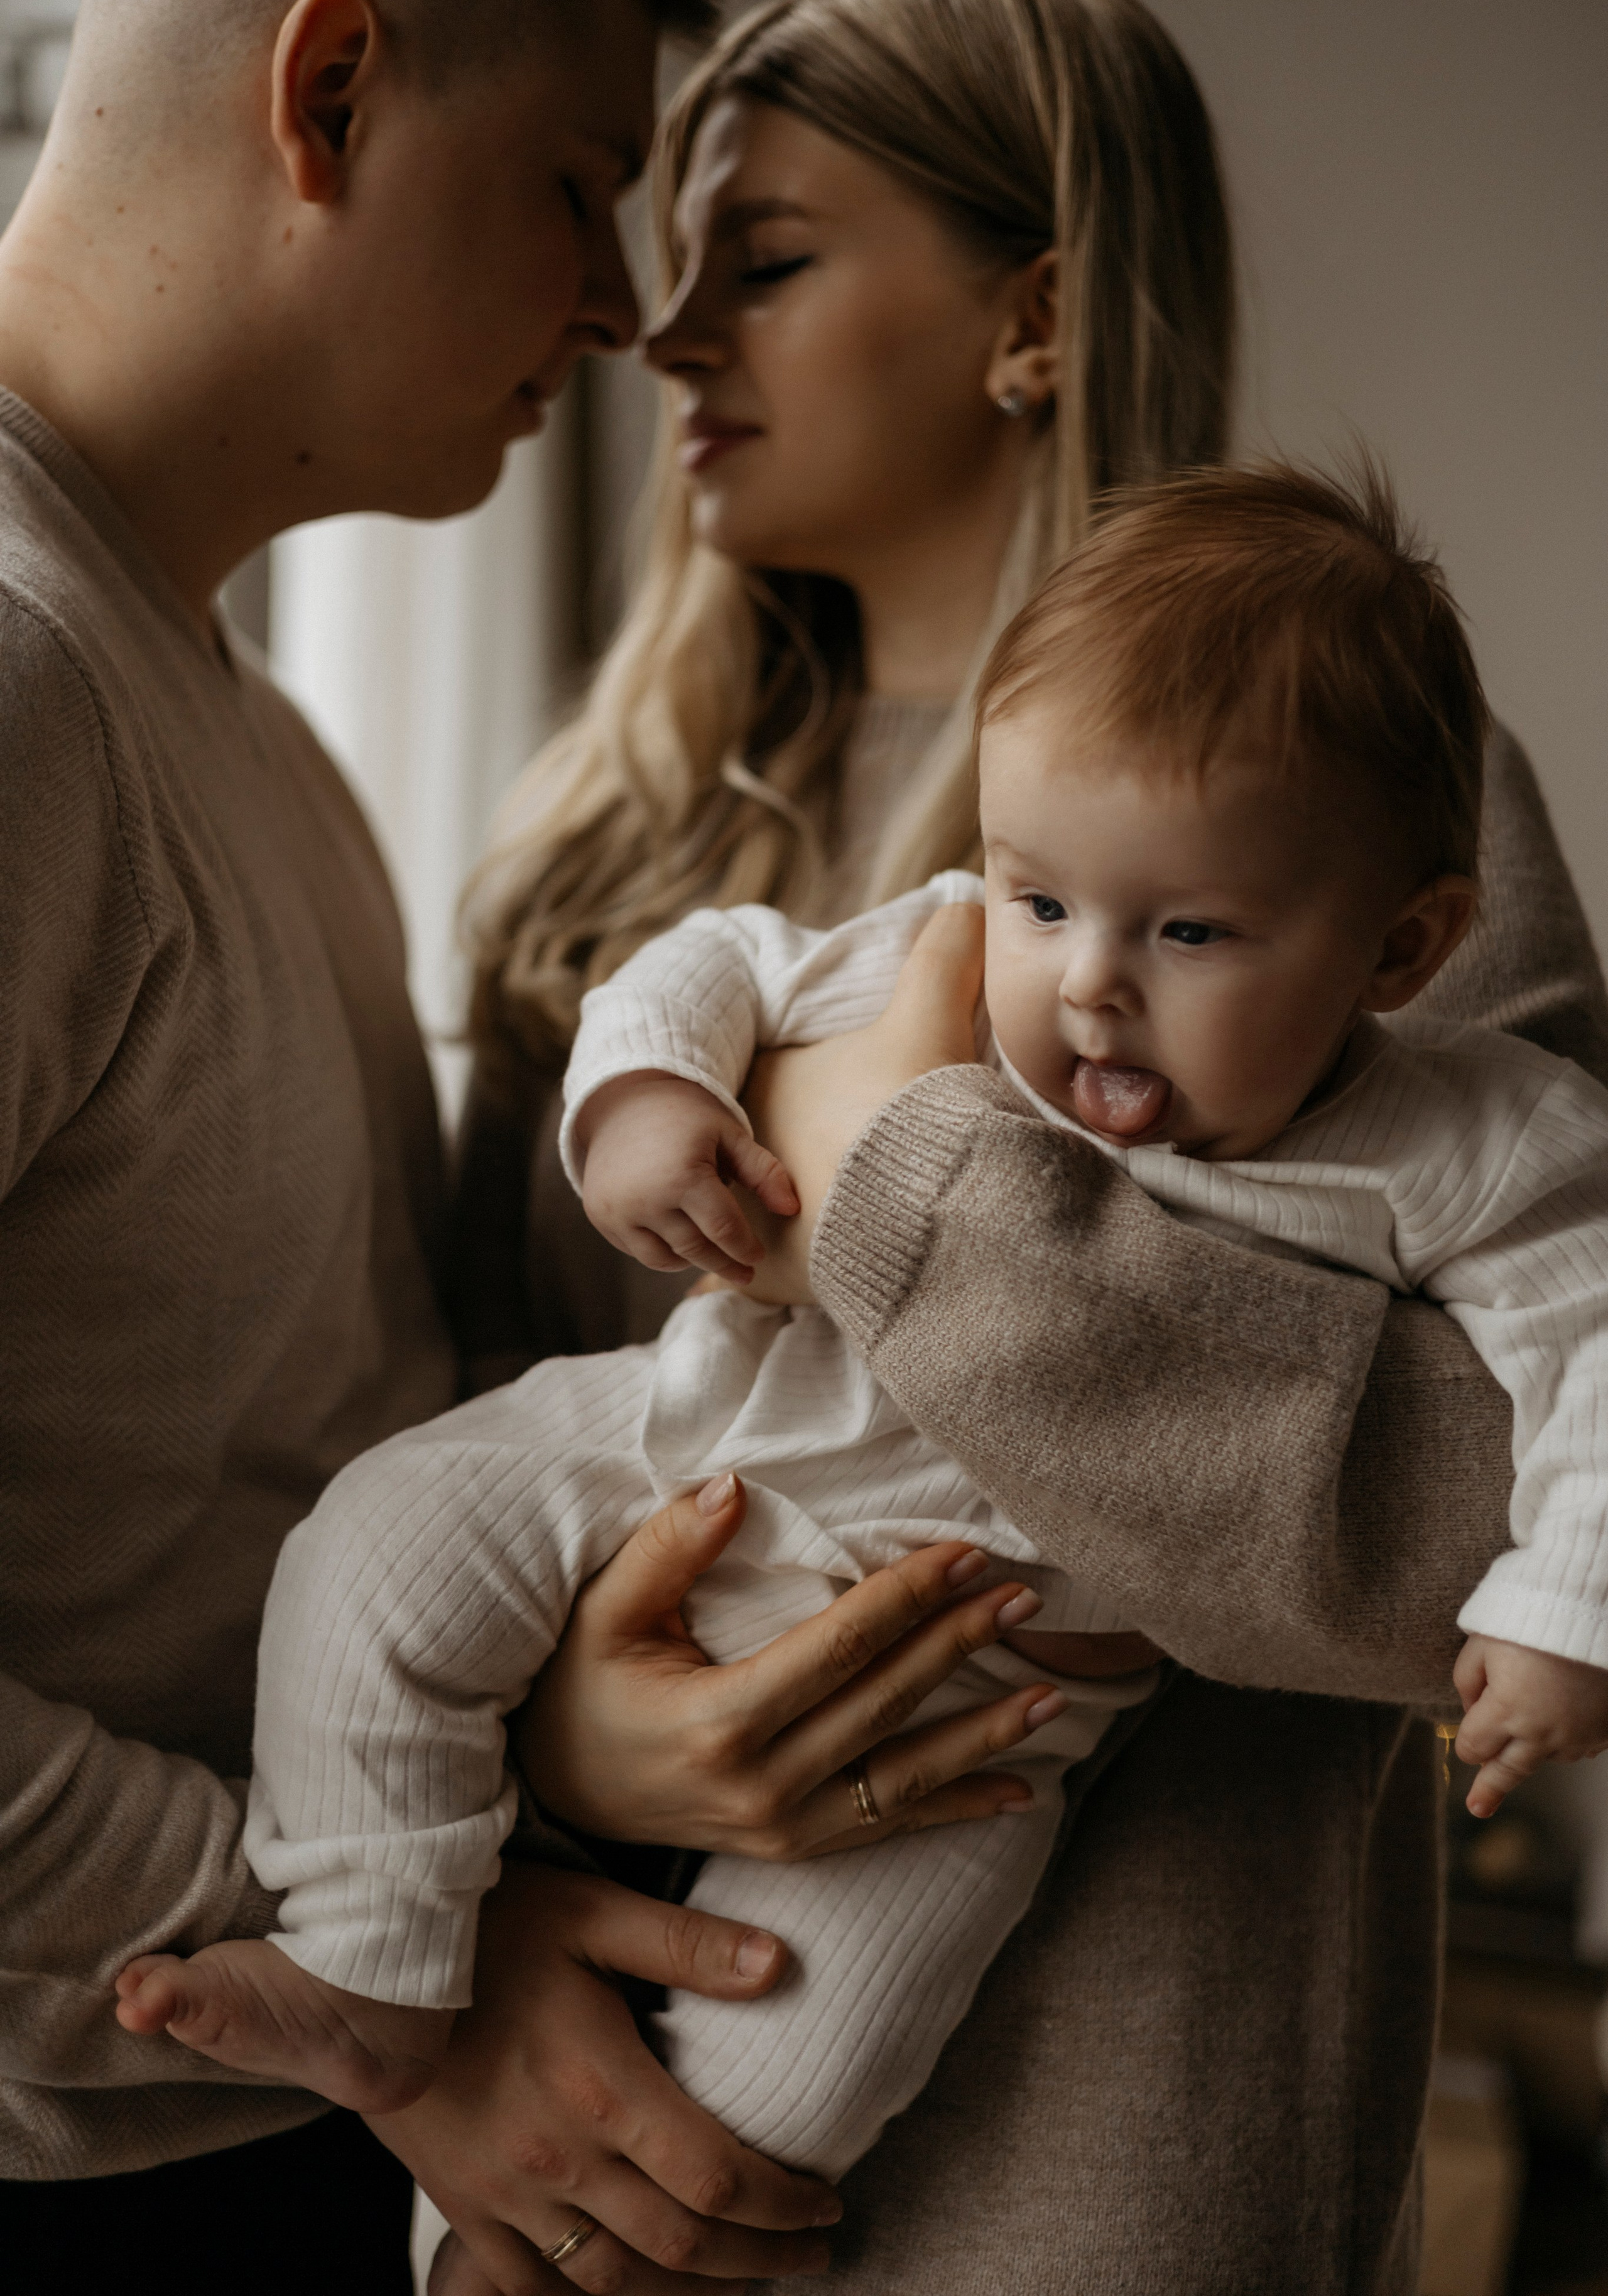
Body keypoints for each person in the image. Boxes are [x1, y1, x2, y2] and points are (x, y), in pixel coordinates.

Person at [445, 0, 1608, 2296]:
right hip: (608, 2068)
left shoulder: (1354, 817)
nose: (663, 337)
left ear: (1037, 316)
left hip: (1126, 2144)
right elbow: (474, 1429)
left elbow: (1481, 1517)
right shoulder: (599, 859)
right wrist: (577, 1746)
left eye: (759, 259)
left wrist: (903, 1176)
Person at [116, 461, 1608, 2207]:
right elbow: (720, 963)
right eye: (1043, 898)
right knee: (376, 1549)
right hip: (695, 1458)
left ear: (1403, 947)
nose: (1087, 982)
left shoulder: (1464, 1136)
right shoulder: (963, 962)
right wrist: (651, 1104)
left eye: (1189, 932)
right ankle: (366, 1959)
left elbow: (1587, 1334)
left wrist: (1563, 1605)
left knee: (804, 2068)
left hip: (988, 1715)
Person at [1, 0, 1043, 2292]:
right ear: (330, 95)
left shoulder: (259, 747)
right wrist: (376, 1996)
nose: (617, 304)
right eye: (581, 184)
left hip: (263, 2127)